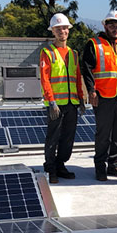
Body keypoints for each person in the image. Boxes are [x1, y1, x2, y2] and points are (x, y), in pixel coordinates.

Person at [81, 10, 117, 181]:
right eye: (111, 25)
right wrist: (91, 90)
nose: (114, 28)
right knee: (103, 133)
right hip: (102, 96)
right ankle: (100, 166)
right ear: (105, 25)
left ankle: (114, 164)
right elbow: (87, 68)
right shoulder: (94, 44)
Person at [40, 13, 85, 184]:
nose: (62, 31)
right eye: (58, 29)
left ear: (68, 30)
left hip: (71, 103)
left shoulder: (73, 53)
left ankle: (61, 164)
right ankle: (50, 167)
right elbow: (45, 79)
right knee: (53, 137)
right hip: (56, 104)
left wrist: (81, 99)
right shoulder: (47, 52)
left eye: (65, 28)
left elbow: (77, 77)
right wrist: (51, 101)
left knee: (68, 137)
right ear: (53, 31)